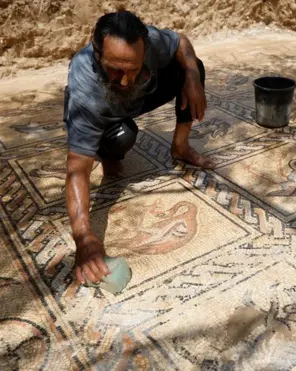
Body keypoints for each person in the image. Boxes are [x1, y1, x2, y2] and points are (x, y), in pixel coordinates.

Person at [63, 10, 215, 285]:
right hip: (106, 110)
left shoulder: (150, 41)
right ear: (97, 52)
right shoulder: (84, 90)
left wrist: (192, 75)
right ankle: (107, 149)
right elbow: (76, 168)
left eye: (133, 69)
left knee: (193, 66)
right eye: (115, 69)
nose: (124, 80)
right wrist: (84, 237)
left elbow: (181, 41)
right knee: (123, 137)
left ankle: (180, 147)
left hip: (136, 100)